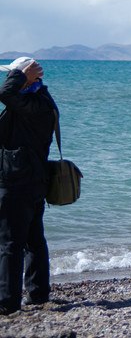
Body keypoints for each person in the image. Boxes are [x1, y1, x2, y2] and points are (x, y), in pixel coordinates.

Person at [0, 57, 55, 314]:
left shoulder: (32, 103)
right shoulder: (40, 100)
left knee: (10, 243)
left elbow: (4, 93)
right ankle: (38, 294)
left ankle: (7, 302)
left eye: (12, 75)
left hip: (18, 181)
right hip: (33, 179)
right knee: (33, 239)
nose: (8, 79)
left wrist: (21, 75)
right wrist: (24, 77)